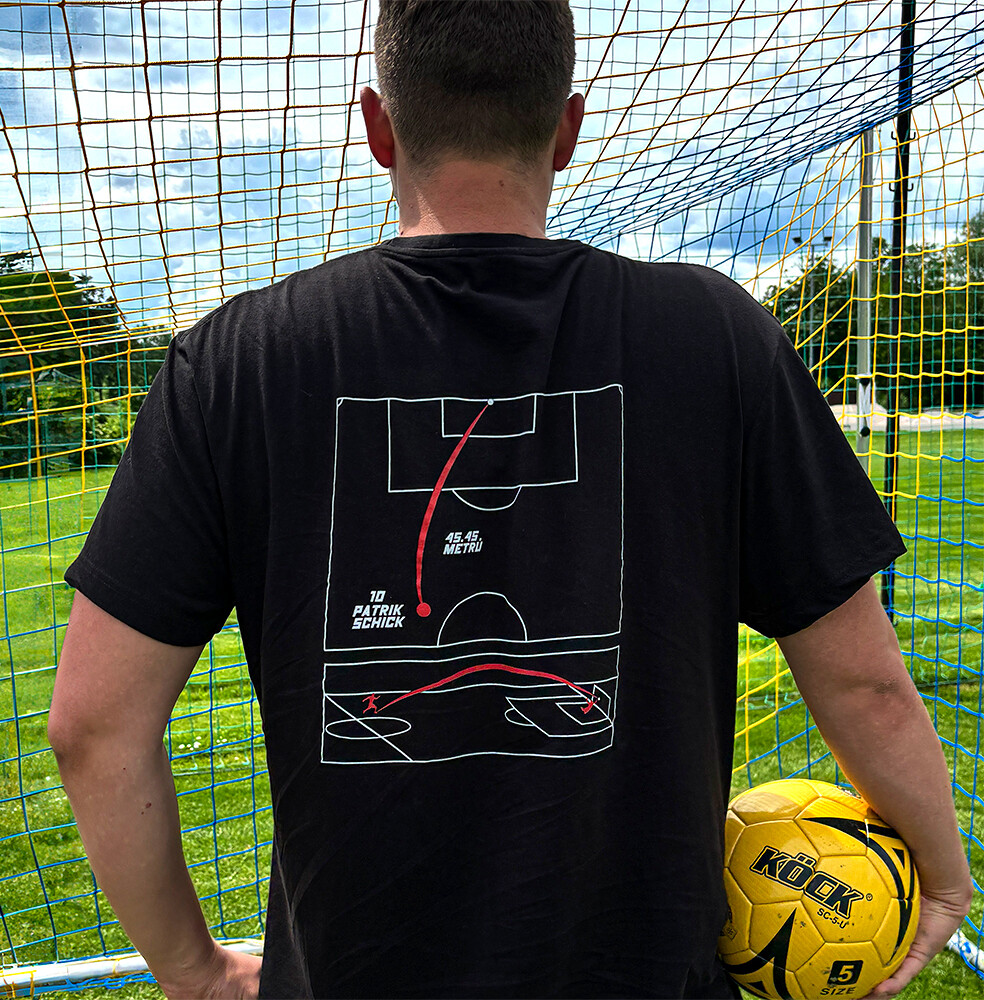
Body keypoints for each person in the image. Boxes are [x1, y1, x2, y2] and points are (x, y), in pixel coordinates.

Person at [47, 2, 971, 998]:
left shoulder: (239, 359)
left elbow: (94, 729)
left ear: (377, 125)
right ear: (567, 129)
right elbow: (864, 685)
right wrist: (944, 871)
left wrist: (194, 972)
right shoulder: (715, 335)